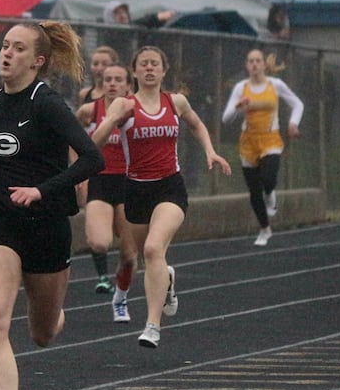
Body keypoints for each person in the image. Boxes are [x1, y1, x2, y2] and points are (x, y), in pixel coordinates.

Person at [0, 21, 104, 390]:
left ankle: (53, 314)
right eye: (5, 45)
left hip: (47, 226)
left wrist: (41, 191)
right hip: (1, 222)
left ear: (38, 61)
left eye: (19, 49)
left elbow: (92, 158)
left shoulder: (48, 105)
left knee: (42, 333)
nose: (7, 54)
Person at [90, 45, 232, 348]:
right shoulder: (124, 105)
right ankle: (166, 278)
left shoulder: (176, 101)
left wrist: (210, 151)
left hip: (170, 187)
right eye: (144, 64)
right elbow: (98, 138)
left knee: (154, 248)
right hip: (136, 190)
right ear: (135, 71)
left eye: (155, 63)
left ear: (164, 70)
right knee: (150, 257)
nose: (150, 68)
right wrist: (104, 132)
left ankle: (152, 326)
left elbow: (196, 124)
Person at [222, 49, 304, 246]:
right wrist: (238, 107)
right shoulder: (241, 88)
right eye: (251, 61)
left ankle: (270, 193)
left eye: (258, 61)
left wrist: (293, 123)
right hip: (248, 141)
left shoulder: (275, 85)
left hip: (270, 139)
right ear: (246, 65)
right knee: (254, 189)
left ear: (264, 65)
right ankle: (264, 229)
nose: (254, 64)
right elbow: (225, 119)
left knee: (268, 179)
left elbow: (297, 104)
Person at [76, 63, 139, 320]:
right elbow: (74, 138)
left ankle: (120, 299)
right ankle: (110, 228)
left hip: (128, 184)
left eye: (118, 80)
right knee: (99, 243)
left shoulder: (137, 110)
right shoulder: (90, 110)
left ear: (128, 85)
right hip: (100, 181)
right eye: (108, 79)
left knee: (129, 257)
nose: (112, 84)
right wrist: (78, 170)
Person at [75, 45, 120, 294]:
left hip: (124, 175)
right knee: (97, 233)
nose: (99, 69)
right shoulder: (86, 97)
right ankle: (103, 276)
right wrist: (79, 168)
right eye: (95, 63)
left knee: (127, 237)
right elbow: (76, 134)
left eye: (105, 64)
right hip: (97, 172)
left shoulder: (127, 100)